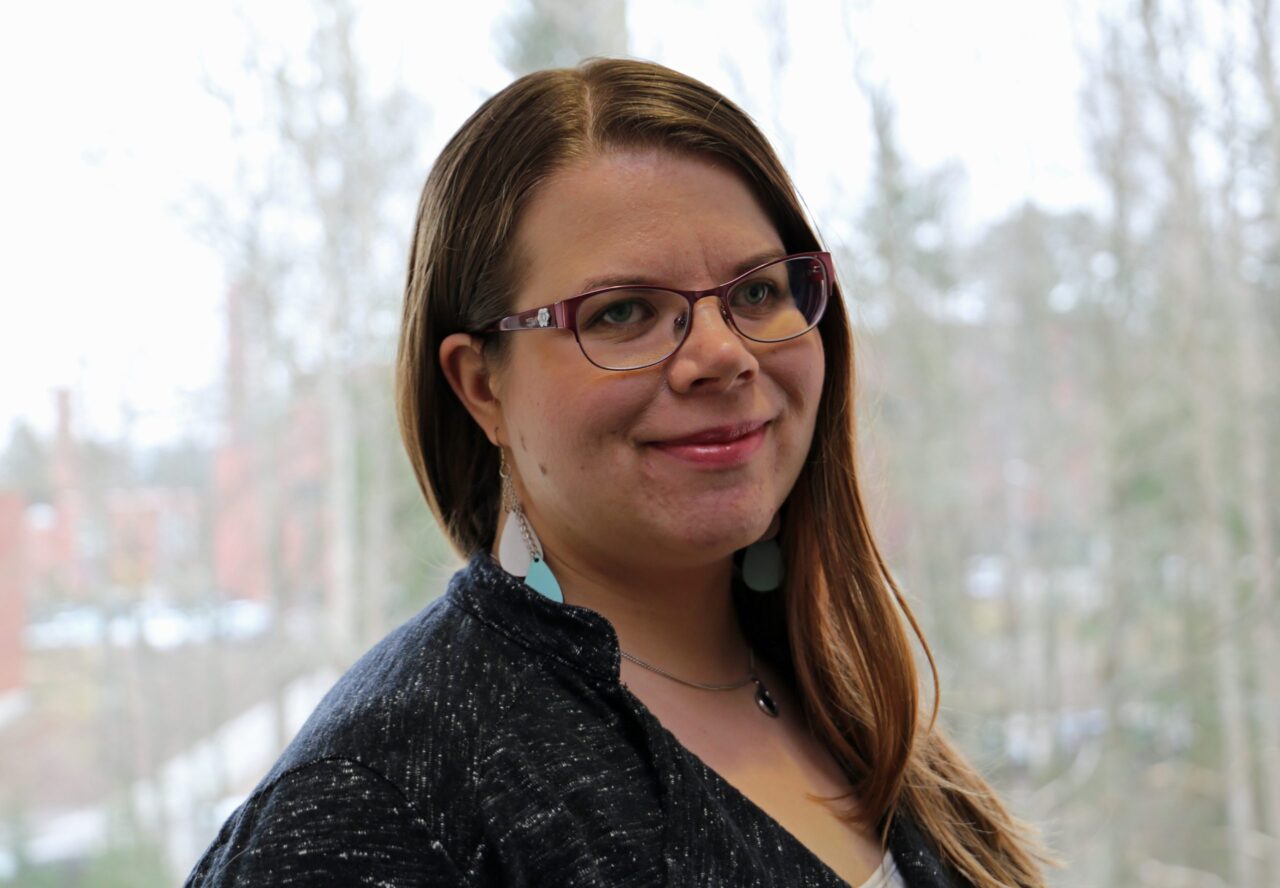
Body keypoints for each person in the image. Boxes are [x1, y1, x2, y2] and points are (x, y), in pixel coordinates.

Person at [185, 58, 1051, 887]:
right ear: (481, 385)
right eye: (624, 312)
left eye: (757, 293)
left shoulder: (841, 694)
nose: (723, 355)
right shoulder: (380, 800)